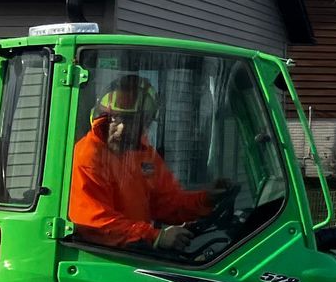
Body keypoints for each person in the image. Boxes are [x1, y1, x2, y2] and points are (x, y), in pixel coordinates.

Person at [69, 75, 227, 252]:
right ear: (104, 116)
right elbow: (95, 223)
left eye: (131, 122)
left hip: (134, 250)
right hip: (103, 256)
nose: (121, 130)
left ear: (145, 123)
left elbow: (167, 203)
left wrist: (206, 199)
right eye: (117, 119)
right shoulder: (89, 156)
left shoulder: (143, 155)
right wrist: (155, 236)